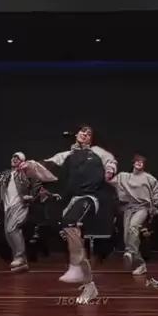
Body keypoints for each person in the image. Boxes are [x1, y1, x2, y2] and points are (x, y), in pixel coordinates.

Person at [23, 125, 117, 304]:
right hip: (74, 200)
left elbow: (110, 162)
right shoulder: (66, 155)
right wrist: (31, 166)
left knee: (70, 222)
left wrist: (110, 171)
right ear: (77, 134)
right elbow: (47, 166)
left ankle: (75, 266)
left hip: (93, 197)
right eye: (82, 131)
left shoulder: (98, 152)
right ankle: (89, 285)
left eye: (89, 133)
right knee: (70, 230)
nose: (85, 134)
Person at [0, 152, 48, 272]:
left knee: (12, 229)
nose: (14, 159)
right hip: (7, 207)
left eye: (17, 158)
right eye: (13, 157)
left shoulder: (25, 173)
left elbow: (38, 183)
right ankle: (21, 262)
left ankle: (19, 257)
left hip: (20, 204)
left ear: (22, 161)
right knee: (8, 233)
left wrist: (31, 196)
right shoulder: (6, 174)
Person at [109, 154, 158, 275]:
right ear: (133, 163)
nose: (139, 163)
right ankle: (140, 264)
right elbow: (108, 181)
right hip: (129, 208)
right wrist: (109, 168)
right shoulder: (123, 177)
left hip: (143, 207)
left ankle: (129, 252)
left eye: (141, 162)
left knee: (133, 227)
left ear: (144, 165)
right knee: (128, 237)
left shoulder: (149, 178)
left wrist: (154, 206)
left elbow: (157, 193)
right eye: (137, 161)